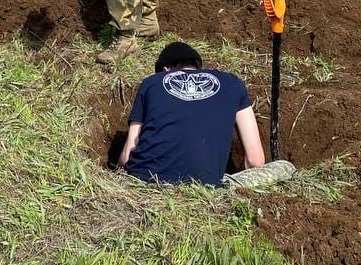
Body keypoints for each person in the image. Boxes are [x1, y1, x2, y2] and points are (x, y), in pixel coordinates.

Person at [117, 42, 293, 188]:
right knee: (285, 167)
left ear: (165, 70)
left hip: (146, 181)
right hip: (205, 186)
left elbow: (127, 157)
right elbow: (255, 161)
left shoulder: (150, 83)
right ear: (197, 67)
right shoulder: (232, 83)